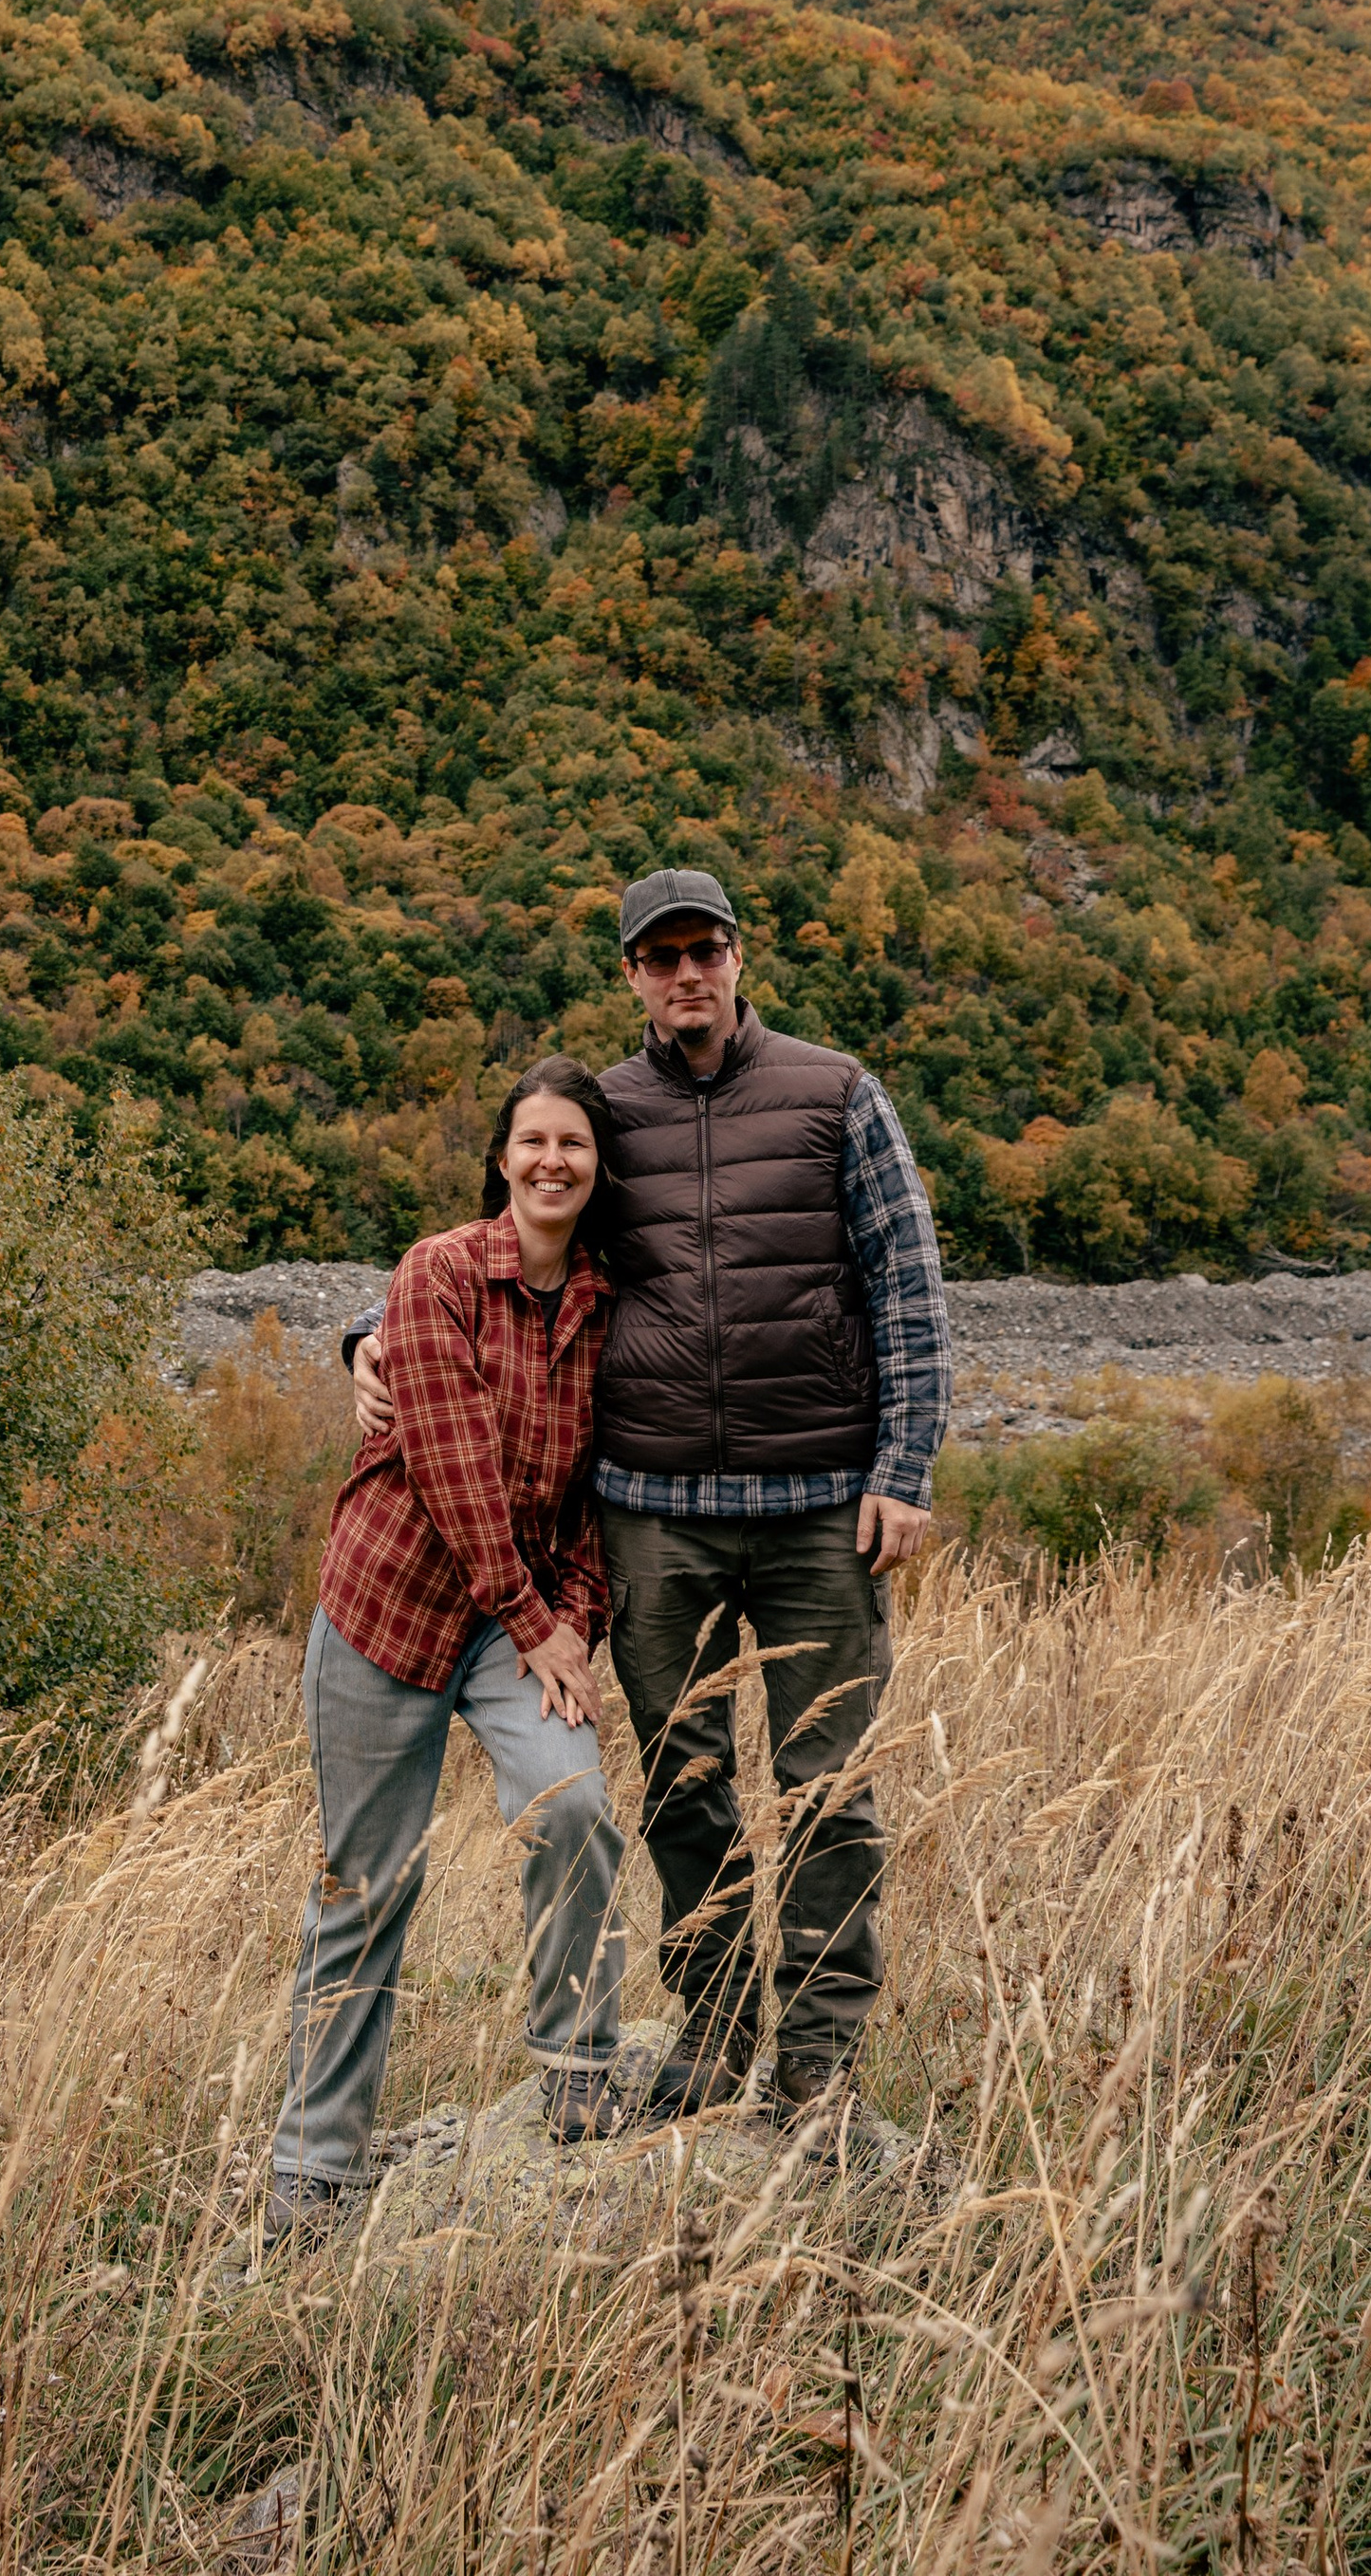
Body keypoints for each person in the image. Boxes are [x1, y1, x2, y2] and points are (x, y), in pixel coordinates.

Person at [346, 866, 950, 2125]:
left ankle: (821, 2063)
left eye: (705, 948)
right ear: (632, 974)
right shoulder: (605, 1112)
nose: (687, 972)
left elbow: (910, 1285)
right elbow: (506, 1243)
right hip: (655, 1513)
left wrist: (905, 1469)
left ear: (738, 956)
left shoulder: (837, 1093)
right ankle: (717, 2031)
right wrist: (366, 1335)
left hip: (821, 1512)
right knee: (684, 1785)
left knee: (826, 1790)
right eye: (661, 955)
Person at [266, 1056, 627, 2252]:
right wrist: (539, 1623)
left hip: (515, 1619)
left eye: (571, 1144)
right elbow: (455, 1469)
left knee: (574, 1808)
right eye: (531, 1141)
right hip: (390, 1609)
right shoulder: (434, 1273)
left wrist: (576, 1617)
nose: (550, 1162)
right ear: (502, 1158)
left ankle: (577, 2067)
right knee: (367, 1891)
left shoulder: (605, 1305)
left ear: (595, 1164)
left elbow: (595, 1499)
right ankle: (313, 2172)